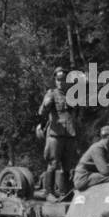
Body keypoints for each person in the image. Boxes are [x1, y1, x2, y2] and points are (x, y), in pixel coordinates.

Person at [37, 67, 78, 199]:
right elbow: (41, 112)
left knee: (68, 164)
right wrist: (46, 105)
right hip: (55, 134)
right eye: (58, 79)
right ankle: (49, 192)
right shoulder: (51, 93)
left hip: (69, 134)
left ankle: (66, 192)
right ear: (55, 80)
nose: (61, 82)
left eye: (63, 79)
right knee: (53, 163)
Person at [72, 125, 109, 191]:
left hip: (91, 175)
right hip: (83, 178)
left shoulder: (108, 148)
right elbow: (105, 171)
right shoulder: (97, 148)